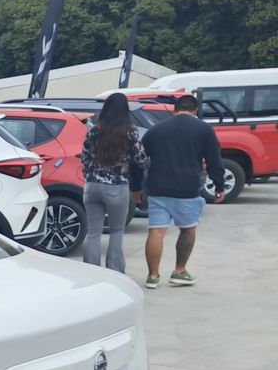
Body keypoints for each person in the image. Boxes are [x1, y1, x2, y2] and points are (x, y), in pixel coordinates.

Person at [140, 95, 226, 288]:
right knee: (188, 229)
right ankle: (179, 271)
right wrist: (219, 186)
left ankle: (153, 276)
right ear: (195, 110)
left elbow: (139, 159)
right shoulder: (204, 129)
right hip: (187, 188)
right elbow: (214, 160)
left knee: (156, 231)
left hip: (157, 188)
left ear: (174, 109)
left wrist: (136, 186)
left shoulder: (155, 130)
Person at [81, 93, 148, 272]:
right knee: (116, 231)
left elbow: (85, 158)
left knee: (93, 233)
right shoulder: (130, 130)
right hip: (117, 186)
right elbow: (140, 159)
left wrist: (89, 175)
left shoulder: (94, 129)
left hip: (92, 186)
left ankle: (91, 271)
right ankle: (115, 271)